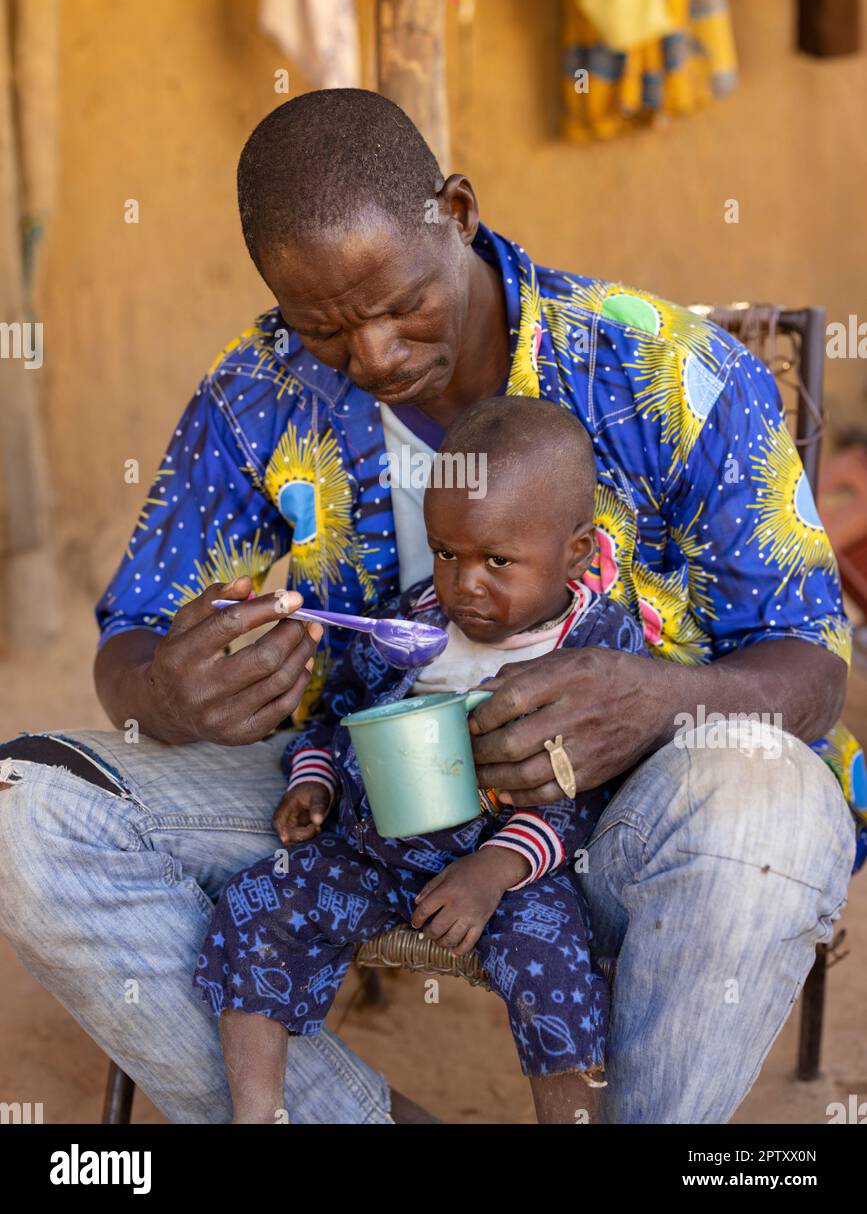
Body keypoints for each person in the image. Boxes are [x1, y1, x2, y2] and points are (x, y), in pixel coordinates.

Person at [0, 89, 859, 1124]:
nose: (371, 356)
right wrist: (164, 689)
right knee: (25, 810)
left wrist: (655, 702)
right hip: (353, 815)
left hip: (620, 821)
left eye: (400, 303)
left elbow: (810, 665)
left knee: (770, 800)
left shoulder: (668, 374)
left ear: (456, 212)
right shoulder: (262, 394)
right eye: (324, 327)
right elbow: (133, 630)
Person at [195, 396, 648, 1124]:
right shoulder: (411, 620)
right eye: (446, 553)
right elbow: (340, 717)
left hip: (510, 874)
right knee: (260, 903)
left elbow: (586, 797)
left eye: (498, 561)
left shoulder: (594, 652)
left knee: (552, 968)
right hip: (372, 852)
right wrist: (315, 785)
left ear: (576, 552)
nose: (464, 583)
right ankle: (258, 1113)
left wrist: (490, 873)